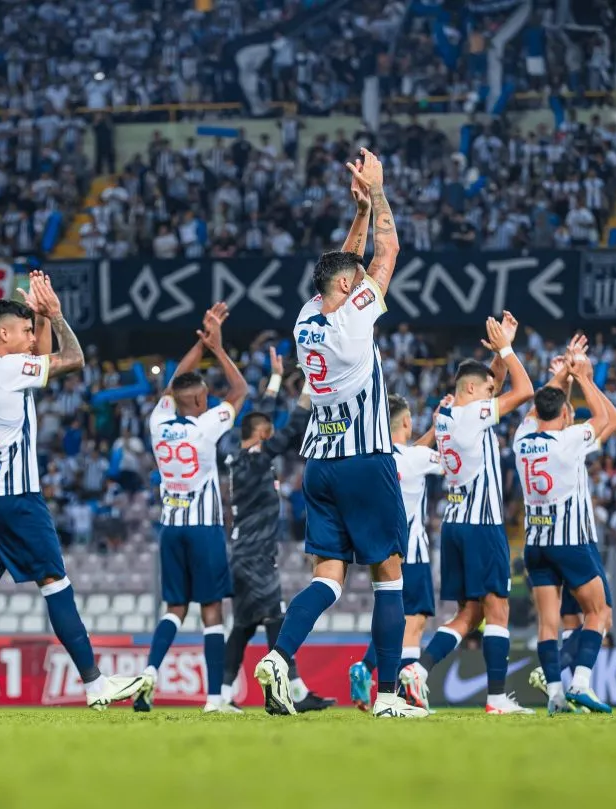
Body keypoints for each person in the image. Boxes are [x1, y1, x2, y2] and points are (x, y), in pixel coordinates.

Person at [253, 148, 425, 718]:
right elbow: (388, 250)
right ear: (349, 290)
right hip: (365, 460)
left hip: (319, 465)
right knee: (388, 576)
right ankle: (387, 697)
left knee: (327, 578)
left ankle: (279, 658)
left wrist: (354, 214)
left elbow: (346, 260)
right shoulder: (355, 321)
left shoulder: (307, 318)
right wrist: (377, 192)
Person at [0, 271, 145, 713]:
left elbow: (41, 362)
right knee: (56, 585)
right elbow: (73, 359)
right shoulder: (10, 368)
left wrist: (40, 320)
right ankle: (95, 684)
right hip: (17, 498)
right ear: (2, 334)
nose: (31, 338)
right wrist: (58, 316)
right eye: (24, 332)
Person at [400, 313, 535, 715]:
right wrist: (508, 350)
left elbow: (490, 384)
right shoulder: (472, 415)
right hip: (482, 524)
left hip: (455, 524)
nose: (493, 395)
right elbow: (524, 389)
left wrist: (496, 354)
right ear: (473, 391)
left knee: (469, 612)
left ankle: (419, 671)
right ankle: (495, 699)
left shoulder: (445, 415)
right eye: (488, 392)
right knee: (498, 608)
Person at [134, 302, 249, 714]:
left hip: (171, 528)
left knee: (174, 609)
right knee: (212, 609)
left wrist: (197, 345)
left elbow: (172, 386)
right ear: (200, 400)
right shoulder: (206, 426)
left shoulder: (157, 422)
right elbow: (240, 392)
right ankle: (215, 699)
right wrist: (216, 349)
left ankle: (149, 671)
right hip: (204, 529)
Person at [220, 352, 333, 713]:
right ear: (261, 435)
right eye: (267, 430)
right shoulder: (254, 458)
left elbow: (265, 420)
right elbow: (289, 432)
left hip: (246, 553)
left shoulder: (243, 458)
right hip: (253, 556)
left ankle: (223, 695)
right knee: (275, 618)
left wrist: (274, 378)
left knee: (245, 625)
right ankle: (291, 692)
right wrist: (309, 391)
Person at [514, 346, 616, 715]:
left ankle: (556, 696)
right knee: (599, 612)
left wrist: (561, 376)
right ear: (564, 414)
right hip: (570, 543)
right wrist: (583, 376)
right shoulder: (570, 440)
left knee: (548, 624)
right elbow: (606, 416)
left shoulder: (521, 439)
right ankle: (581, 684)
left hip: (535, 545)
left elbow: (537, 408)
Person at [348, 393, 446, 711]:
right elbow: (446, 463)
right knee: (413, 622)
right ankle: (407, 692)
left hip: (381, 550)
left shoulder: (376, 456)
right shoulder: (418, 458)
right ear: (407, 422)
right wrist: (444, 428)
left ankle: (365, 667)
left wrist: (432, 429)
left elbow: (413, 452)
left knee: (393, 618)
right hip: (413, 551)